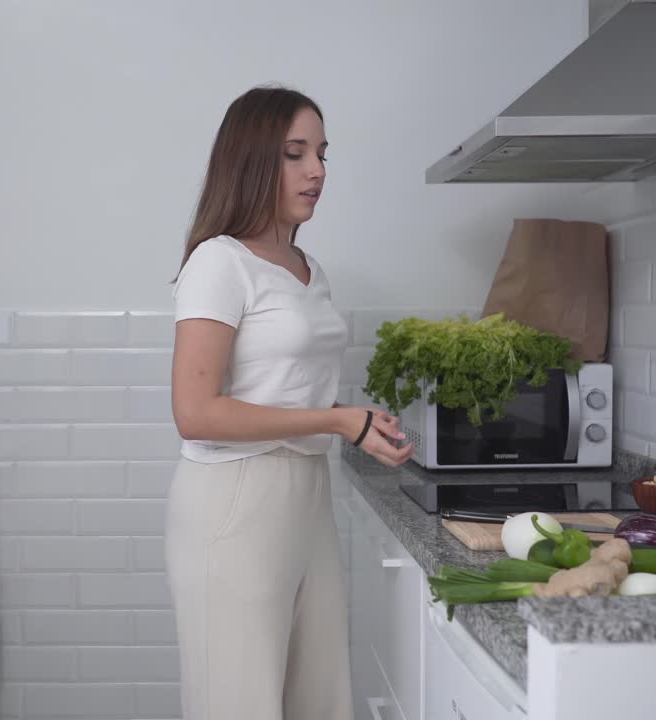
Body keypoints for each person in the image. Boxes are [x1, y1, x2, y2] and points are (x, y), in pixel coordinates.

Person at [166, 85, 414, 720]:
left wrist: (357, 420)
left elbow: (286, 388)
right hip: (235, 502)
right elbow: (195, 412)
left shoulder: (308, 267)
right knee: (240, 704)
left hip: (307, 497)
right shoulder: (218, 263)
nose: (318, 172)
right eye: (295, 154)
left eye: (323, 154)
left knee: (320, 700)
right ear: (251, 161)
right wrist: (337, 420)